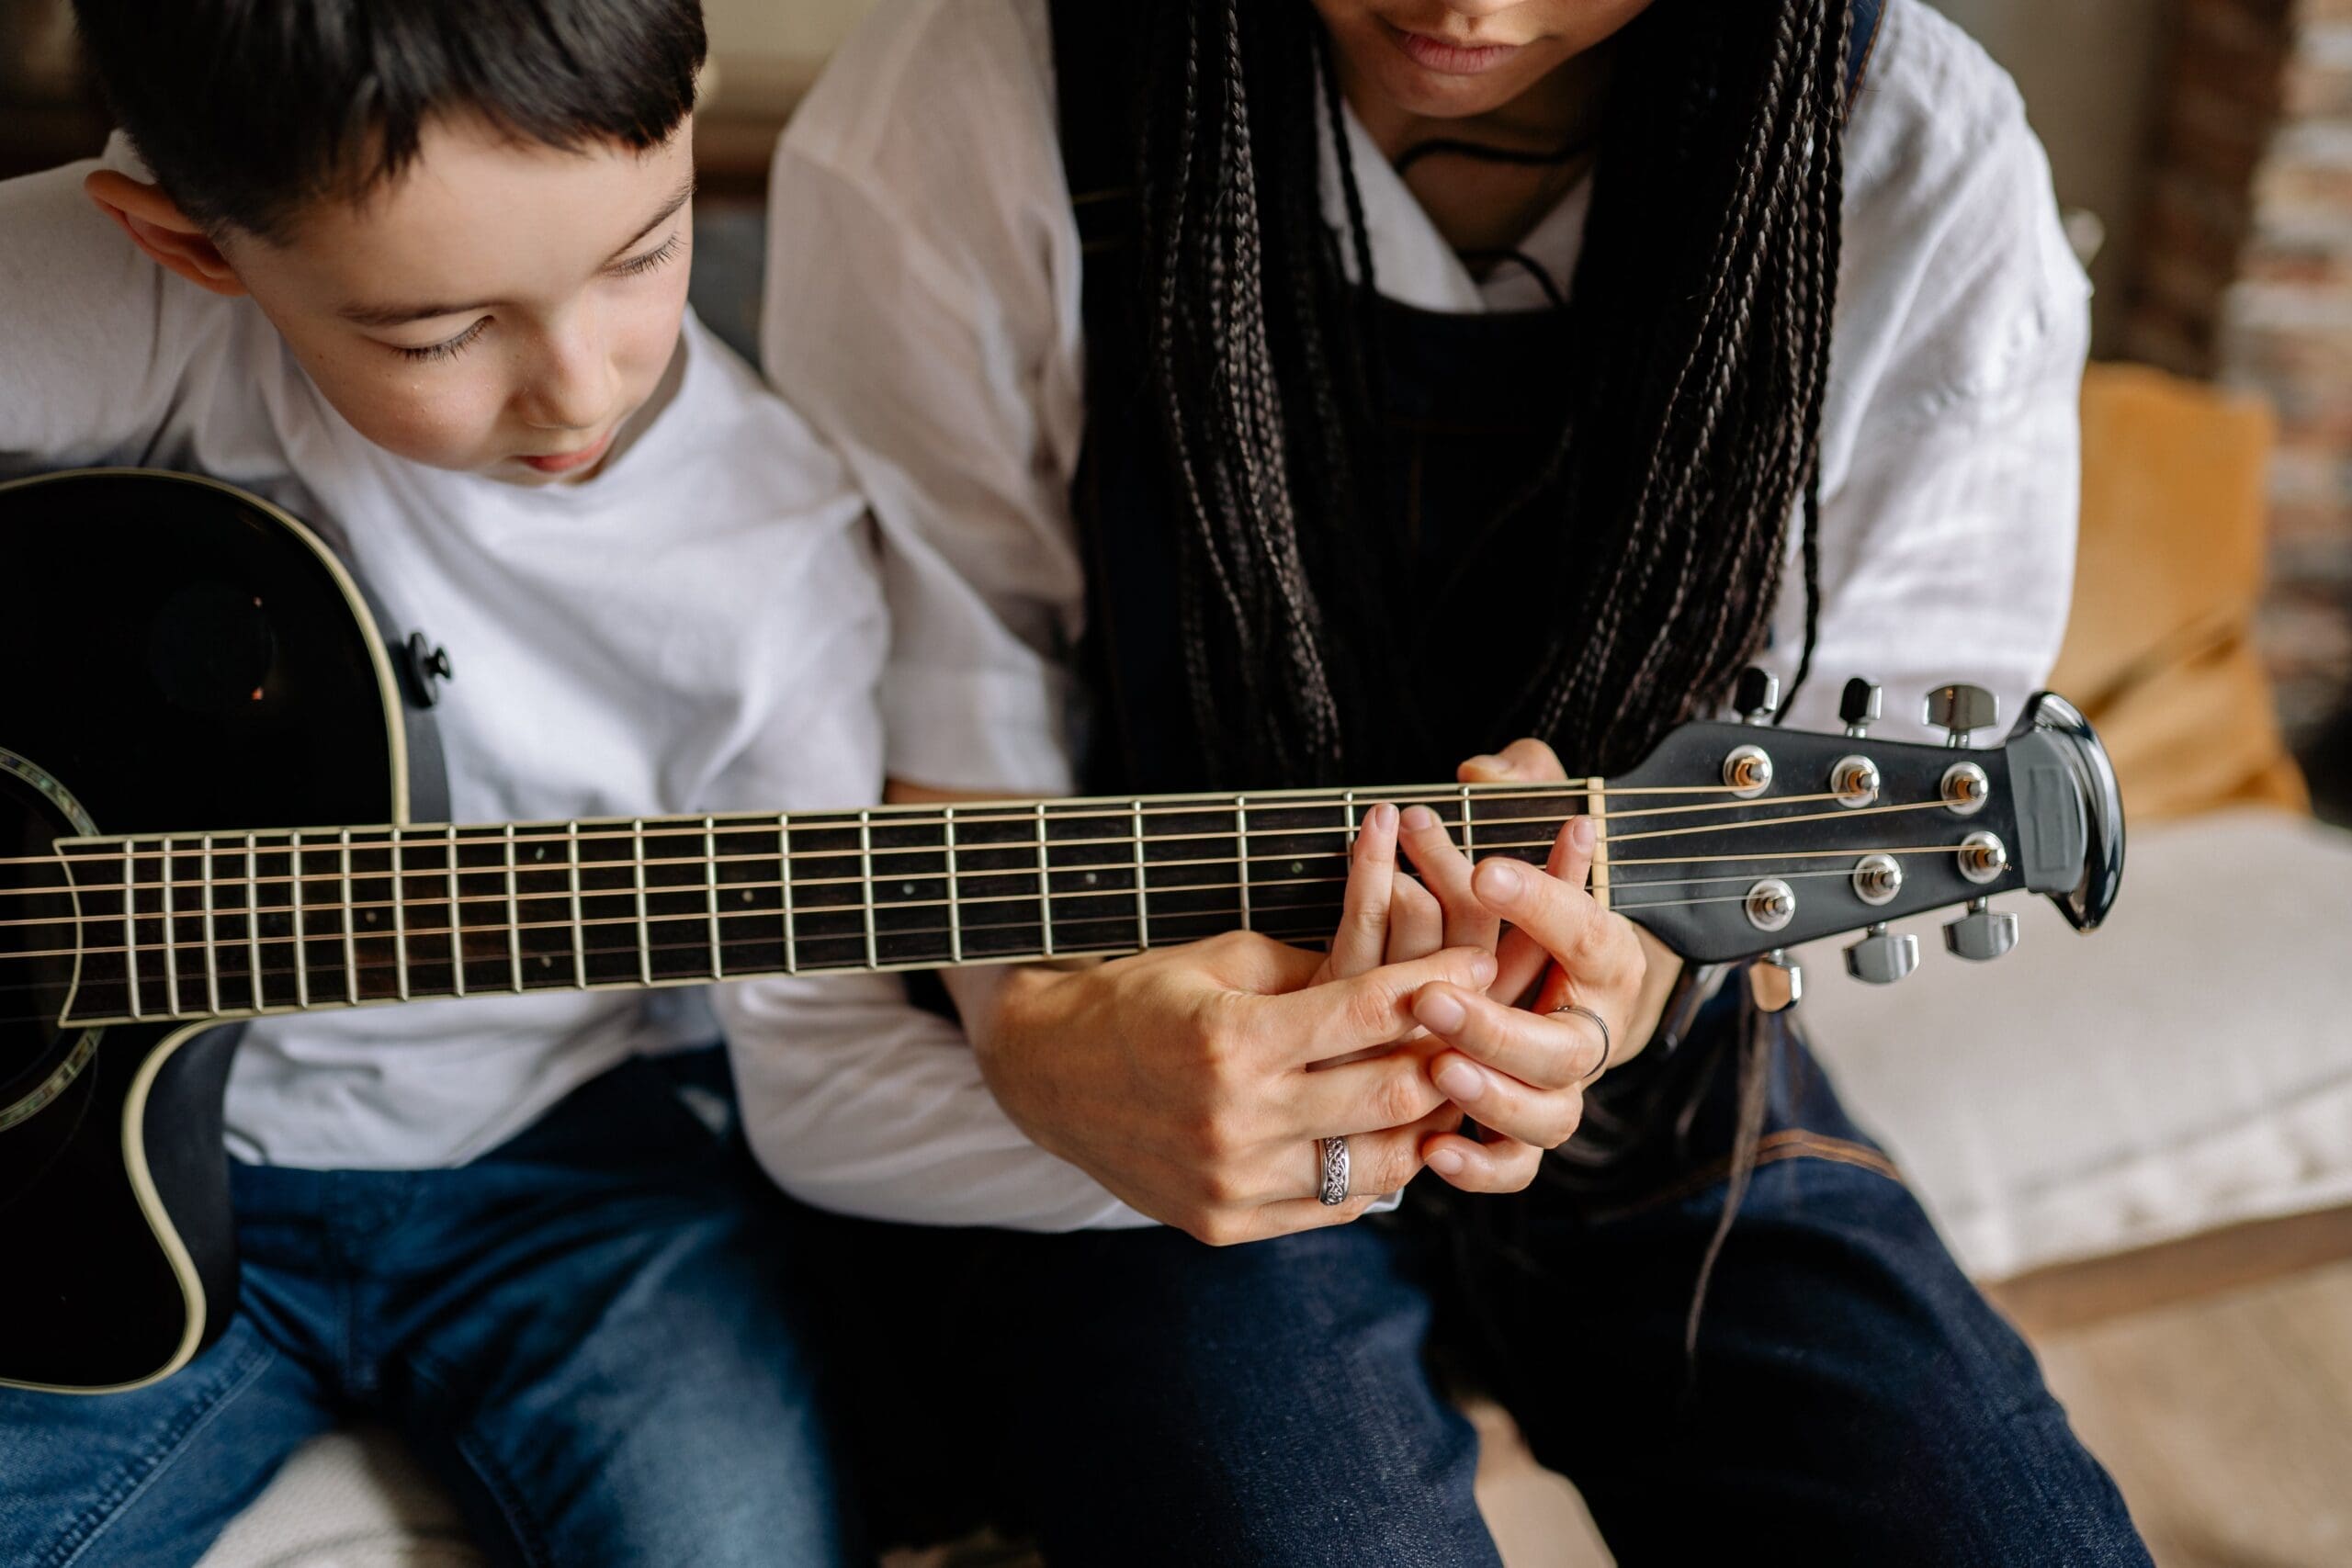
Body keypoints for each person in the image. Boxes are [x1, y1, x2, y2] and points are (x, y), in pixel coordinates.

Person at [762, 0, 2154, 1562]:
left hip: (1656, 1080)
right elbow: (935, 691)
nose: (1465, 10)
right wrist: (1043, 1043)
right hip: (1147, 1068)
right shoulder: (983, 100)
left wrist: (1614, 1000)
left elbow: (1860, 734)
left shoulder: (1915, 156)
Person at [0, 1, 1091, 1561]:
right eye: (438, 334)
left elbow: (817, 1079)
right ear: (191, 243)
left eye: (645, 252)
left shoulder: (777, 573)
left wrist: (1120, 1146)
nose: (580, 386)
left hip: (572, 1188)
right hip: (76, 1192)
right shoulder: (157, 312)